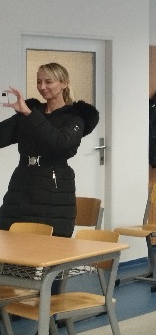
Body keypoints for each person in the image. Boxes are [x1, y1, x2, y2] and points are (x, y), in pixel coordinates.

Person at [0, 63, 100, 237]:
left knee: (44, 244)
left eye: (48, 82)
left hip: (54, 185)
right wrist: (27, 114)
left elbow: (59, 143)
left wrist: (30, 114)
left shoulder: (75, 117)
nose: (42, 87)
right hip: (22, 182)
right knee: (8, 238)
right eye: (39, 82)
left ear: (64, 83)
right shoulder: (31, 112)